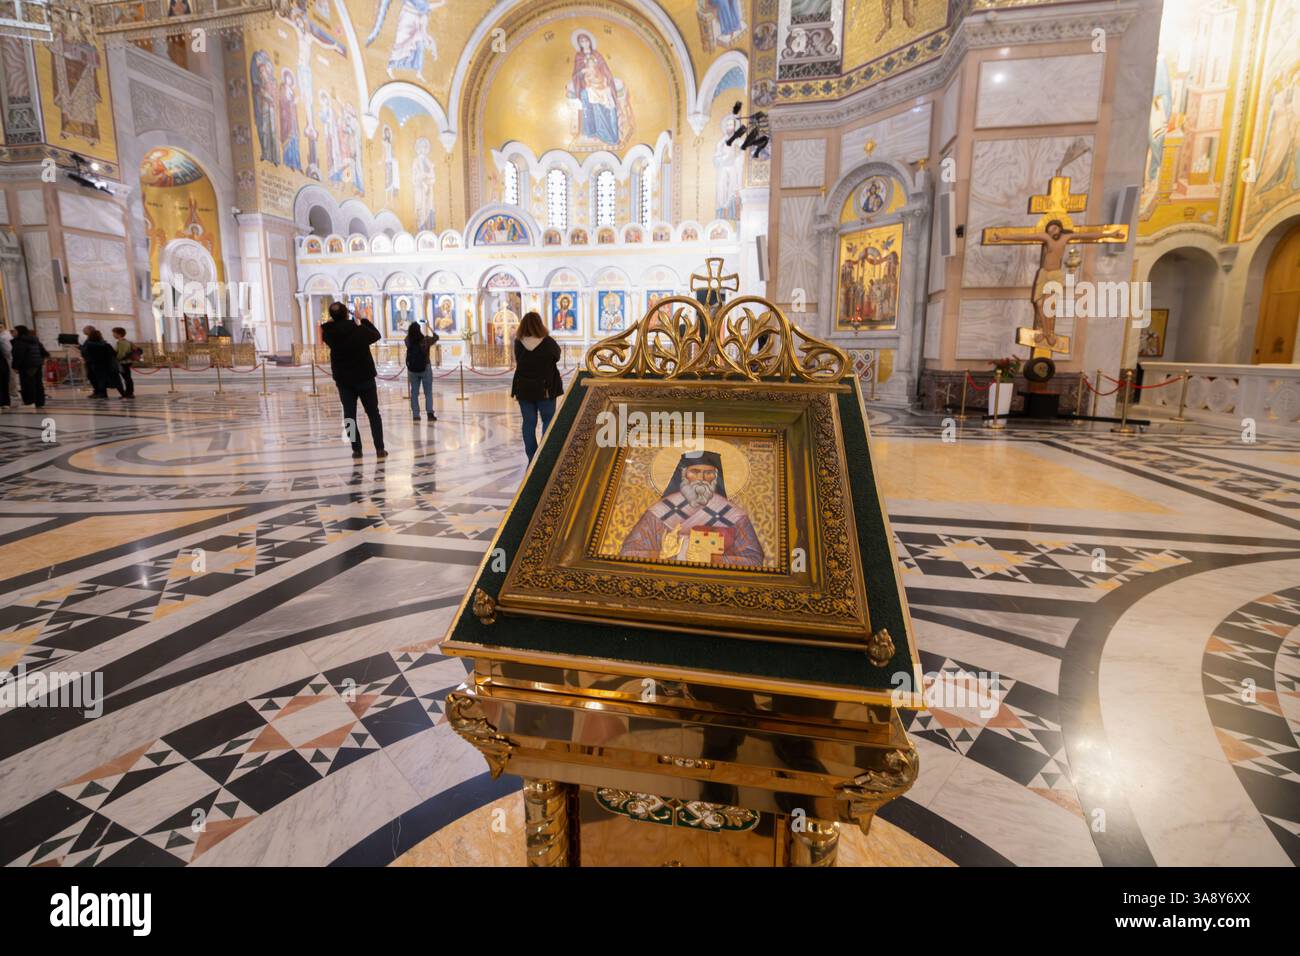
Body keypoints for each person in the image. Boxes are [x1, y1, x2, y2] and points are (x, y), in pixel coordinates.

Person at [618, 451, 764, 567]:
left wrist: (711, 559)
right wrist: (663, 555)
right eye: (694, 471)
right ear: (683, 475)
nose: (701, 478)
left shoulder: (735, 515)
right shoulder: (659, 512)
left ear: (716, 477)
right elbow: (628, 553)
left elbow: (754, 560)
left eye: (708, 473)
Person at [321, 301, 386, 459]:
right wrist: (362, 318)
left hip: (344, 382)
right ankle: (379, 448)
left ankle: (356, 450)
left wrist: (333, 320)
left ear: (332, 316)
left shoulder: (330, 333)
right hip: (365, 378)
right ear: (346, 314)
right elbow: (376, 335)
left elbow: (326, 327)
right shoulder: (358, 330)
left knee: (349, 416)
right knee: (373, 414)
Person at [510, 311, 563, 462]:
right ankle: (544, 456)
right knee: (548, 420)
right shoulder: (548, 342)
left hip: (524, 389)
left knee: (528, 423)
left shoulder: (518, 342)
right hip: (545, 389)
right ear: (540, 324)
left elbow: (519, 359)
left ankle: (532, 456)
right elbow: (557, 356)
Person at [404, 320, 438, 422]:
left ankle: (416, 415)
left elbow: (406, 337)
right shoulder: (425, 340)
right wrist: (429, 326)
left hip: (412, 370)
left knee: (414, 392)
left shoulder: (408, 341)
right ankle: (430, 414)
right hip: (425, 368)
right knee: (428, 392)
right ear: (419, 330)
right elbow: (436, 337)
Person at [81, 326, 124, 400]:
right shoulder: (106, 345)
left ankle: (103, 394)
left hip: (96, 365)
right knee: (116, 380)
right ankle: (123, 393)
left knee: (100, 380)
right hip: (109, 365)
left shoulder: (89, 345)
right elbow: (114, 354)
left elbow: (85, 354)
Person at [10, 326, 47, 408]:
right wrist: (40, 361)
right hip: (37, 365)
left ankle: (29, 402)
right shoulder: (34, 340)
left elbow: (18, 355)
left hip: (26, 366)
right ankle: (40, 402)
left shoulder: (20, 341)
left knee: (27, 384)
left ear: (20, 331)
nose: (13, 332)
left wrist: (15, 366)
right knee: (38, 383)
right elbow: (44, 352)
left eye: (15, 331)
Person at [112, 327, 136, 399]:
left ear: (118, 334)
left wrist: (116, 358)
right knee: (127, 377)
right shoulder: (127, 341)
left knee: (127, 378)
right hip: (127, 362)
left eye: (114, 333)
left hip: (123, 362)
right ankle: (129, 392)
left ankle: (129, 393)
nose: (113, 335)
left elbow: (121, 354)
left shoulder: (121, 342)